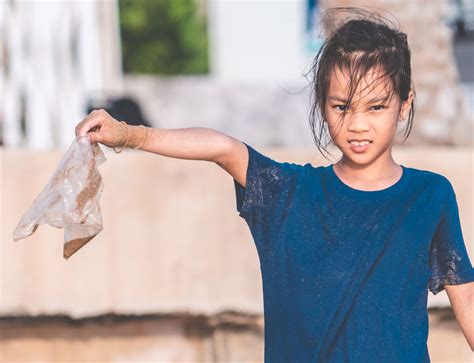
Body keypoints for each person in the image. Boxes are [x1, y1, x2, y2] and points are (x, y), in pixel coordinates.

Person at [75, 7, 474, 362]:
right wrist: (131, 135)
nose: (357, 124)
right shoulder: (287, 193)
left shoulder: (429, 196)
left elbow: (466, 298)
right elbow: (223, 148)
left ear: (404, 104)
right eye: (341, 106)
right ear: (322, 105)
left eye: (376, 107)